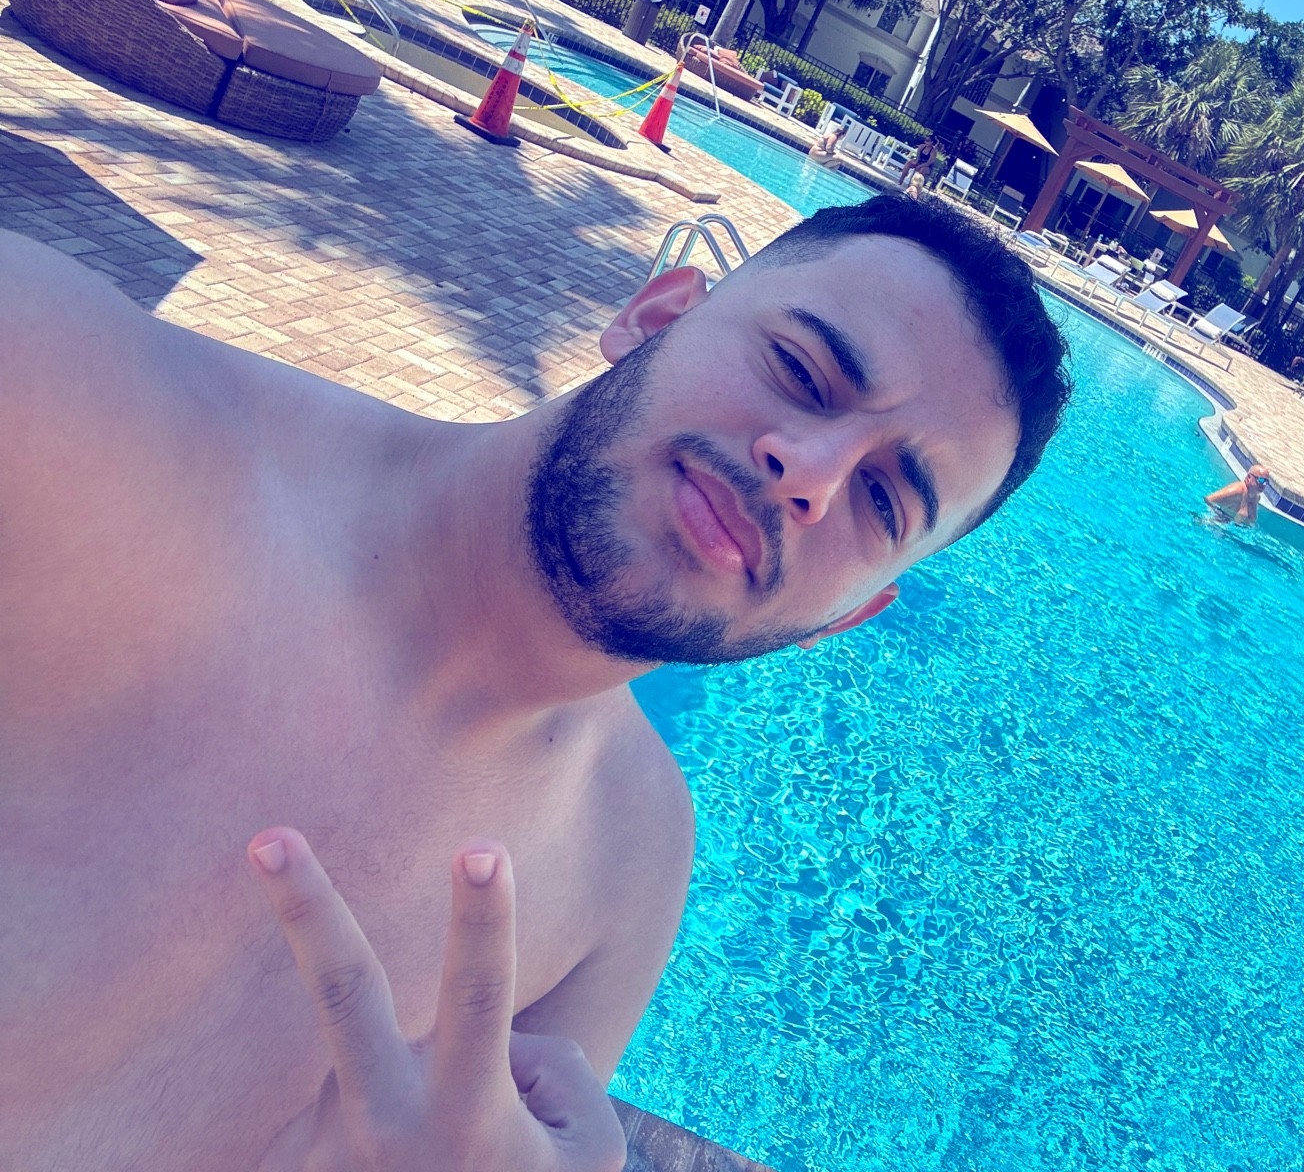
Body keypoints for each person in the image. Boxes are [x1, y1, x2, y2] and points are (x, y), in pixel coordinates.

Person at [0, 194, 1071, 1170]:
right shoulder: (64, 405)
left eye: (883, 503)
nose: (813, 474)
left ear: (849, 617)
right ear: (656, 315)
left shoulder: (630, 862)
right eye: (800, 370)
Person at [1204, 462, 1273, 526]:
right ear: (1249, 478)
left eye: (1266, 482)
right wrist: (1217, 514)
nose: (1264, 485)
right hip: (1216, 523)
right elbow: (1208, 499)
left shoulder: (1256, 497)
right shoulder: (1236, 491)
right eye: (1261, 480)